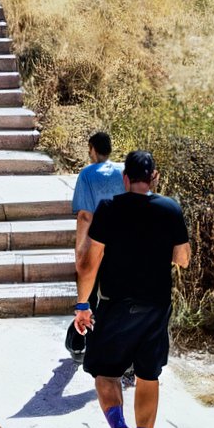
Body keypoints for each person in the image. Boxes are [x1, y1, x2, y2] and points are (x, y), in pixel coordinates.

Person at [73, 149, 189, 428]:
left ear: (125, 179)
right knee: (148, 377)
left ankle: (118, 427)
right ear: (155, 178)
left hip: (115, 306)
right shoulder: (170, 209)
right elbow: (183, 259)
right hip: (155, 306)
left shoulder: (109, 209)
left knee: (105, 374)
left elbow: (88, 261)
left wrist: (83, 305)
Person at [64, 132, 126, 362]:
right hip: (121, 244)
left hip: (94, 243)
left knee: (89, 295)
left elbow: (84, 216)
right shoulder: (123, 172)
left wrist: (80, 248)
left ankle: (82, 342)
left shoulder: (88, 174)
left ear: (92, 149)